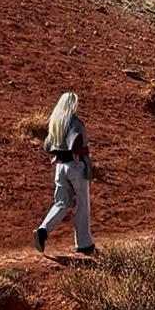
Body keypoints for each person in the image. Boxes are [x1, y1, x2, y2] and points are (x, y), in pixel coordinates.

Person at [34, 90, 95, 255]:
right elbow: (76, 143)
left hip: (59, 167)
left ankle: (43, 230)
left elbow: (48, 146)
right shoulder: (74, 122)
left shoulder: (55, 121)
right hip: (75, 166)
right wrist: (85, 151)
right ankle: (84, 244)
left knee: (61, 202)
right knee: (82, 204)